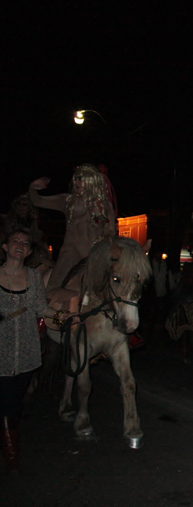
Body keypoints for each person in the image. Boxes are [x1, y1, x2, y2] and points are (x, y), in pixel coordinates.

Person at [0, 229, 67, 473]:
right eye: (15, 241)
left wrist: (64, 316)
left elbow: (40, 307)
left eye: (25, 243)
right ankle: (11, 457)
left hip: (26, 353)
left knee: (13, 403)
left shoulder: (33, 277)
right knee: (6, 406)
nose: (20, 245)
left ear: (29, 252)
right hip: (0, 349)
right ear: (5, 247)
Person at [28, 164, 117, 292]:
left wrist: (105, 247)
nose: (76, 182)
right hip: (71, 251)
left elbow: (111, 232)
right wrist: (32, 188)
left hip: (93, 254)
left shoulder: (105, 205)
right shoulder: (68, 200)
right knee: (53, 287)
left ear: (91, 180)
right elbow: (38, 201)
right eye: (75, 179)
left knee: (101, 291)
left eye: (80, 179)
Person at [1, 194, 51, 278]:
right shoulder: (7, 223)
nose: (20, 207)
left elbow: (43, 247)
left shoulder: (36, 227)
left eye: (24, 205)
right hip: (8, 259)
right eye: (18, 204)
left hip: (31, 260)